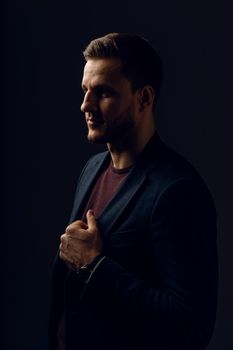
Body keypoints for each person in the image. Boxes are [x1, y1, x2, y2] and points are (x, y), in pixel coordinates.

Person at [49, 33, 218, 350]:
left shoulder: (178, 190)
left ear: (144, 98)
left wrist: (94, 267)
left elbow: (191, 326)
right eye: (85, 91)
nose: (85, 104)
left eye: (103, 93)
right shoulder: (91, 169)